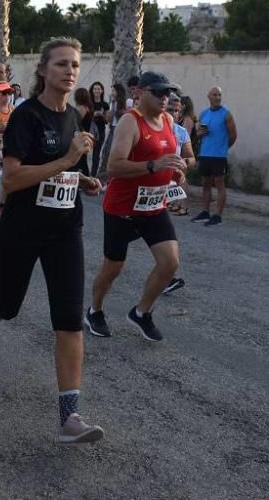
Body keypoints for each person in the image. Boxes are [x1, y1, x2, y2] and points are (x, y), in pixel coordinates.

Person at [0, 37, 105, 444]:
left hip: (65, 230)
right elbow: (13, 178)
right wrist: (64, 163)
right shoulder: (26, 117)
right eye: (61, 64)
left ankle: (69, 417)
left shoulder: (75, 119)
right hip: (21, 229)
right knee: (6, 304)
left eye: (74, 64)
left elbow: (66, 174)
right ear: (43, 70)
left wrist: (83, 180)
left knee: (69, 317)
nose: (70, 71)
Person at [84, 72, 187, 342]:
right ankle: (95, 310)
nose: (165, 98)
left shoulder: (168, 119)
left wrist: (176, 171)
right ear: (140, 93)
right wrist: (153, 166)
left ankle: (141, 313)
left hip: (153, 206)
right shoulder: (131, 123)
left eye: (168, 93)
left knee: (170, 262)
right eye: (159, 92)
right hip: (123, 208)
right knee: (113, 268)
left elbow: (167, 158)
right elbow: (114, 166)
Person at [162, 94, 197, 296]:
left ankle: (166, 277)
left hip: (169, 187)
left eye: (176, 111)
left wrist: (185, 163)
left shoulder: (181, 132)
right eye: (170, 110)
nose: (173, 114)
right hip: (144, 189)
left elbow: (191, 158)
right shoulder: (150, 128)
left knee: (163, 234)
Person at [193, 86, 238, 226]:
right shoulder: (204, 114)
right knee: (205, 184)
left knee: (219, 184)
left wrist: (223, 148)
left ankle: (218, 215)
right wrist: (200, 134)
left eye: (219, 95)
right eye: (215, 94)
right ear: (209, 96)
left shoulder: (226, 114)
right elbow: (198, 134)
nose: (218, 97)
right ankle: (205, 212)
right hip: (205, 153)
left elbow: (233, 135)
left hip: (218, 156)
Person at [0, 81, 17, 213]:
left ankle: (2, 204)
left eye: (9, 93)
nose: (7, 96)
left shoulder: (13, 109)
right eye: (4, 93)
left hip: (8, 145)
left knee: (8, 177)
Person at [88, 82, 110, 177]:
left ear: (102, 91)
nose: (97, 91)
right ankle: (83, 174)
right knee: (83, 153)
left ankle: (93, 176)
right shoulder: (88, 103)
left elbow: (107, 120)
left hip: (100, 131)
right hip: (88, 131)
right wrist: (93, 114)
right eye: (95, 89)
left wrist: (101, 115)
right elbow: (84, 116)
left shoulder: (105, 105)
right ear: (92, 91)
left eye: (99, 89)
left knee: (96, 155)